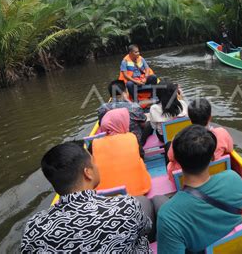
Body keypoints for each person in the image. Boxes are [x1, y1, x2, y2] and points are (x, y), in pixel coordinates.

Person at [21, 141, 152, 253]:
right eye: (93, 162)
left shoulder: (34, 228)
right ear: (88, 173)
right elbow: (146, 228)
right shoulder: (125, 206)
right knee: (148, 203)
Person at [157, 125, 242, 253]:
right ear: (212, 157)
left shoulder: (168, 216)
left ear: (177, 161)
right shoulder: (234, 179)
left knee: (158, 201)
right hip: (238, 247)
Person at [166, 98, 233, 181]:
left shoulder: (179, 138)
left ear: (190, 119)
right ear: (210, 118)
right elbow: (230, 149)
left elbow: (171, 158)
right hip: (216, 175)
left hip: (184, 180)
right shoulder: (222, 133)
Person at [92, 108, 152, 195]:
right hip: (138, 191)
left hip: (106, 195)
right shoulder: (131, 137)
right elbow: (141, 156)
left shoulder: (95, 143)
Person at [97, 80, 147, 147]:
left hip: (113, 143)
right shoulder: (134, 107)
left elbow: (101, 124)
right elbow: (143, 123)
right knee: (148, 125)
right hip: (134, 141)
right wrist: (129, 101)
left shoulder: (102, 108)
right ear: (125, 91)